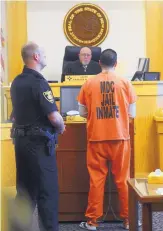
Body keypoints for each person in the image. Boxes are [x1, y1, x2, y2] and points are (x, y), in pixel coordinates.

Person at [78, 49, 137, 230]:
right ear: (116, 63)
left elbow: (82, 112)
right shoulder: (125, 82)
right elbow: (132, 114)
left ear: (99, 63)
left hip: (97, 138)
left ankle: (92, 221)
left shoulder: (89, 82)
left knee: (97, 180)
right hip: (120, 138)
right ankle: (129, 220)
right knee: (123, 179)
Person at [10, 42, 65, 231]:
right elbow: (54, 117)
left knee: (24, 193)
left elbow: (15, 114)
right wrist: (61, 126)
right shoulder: (39, 82)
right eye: (44, 54)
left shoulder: (16, 81)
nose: (46, 57)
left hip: (21, 143)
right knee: (47, 193)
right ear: (36, 57)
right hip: (39, 145)